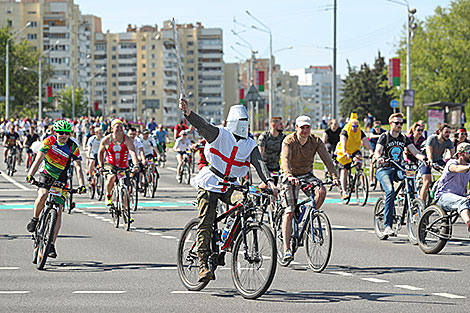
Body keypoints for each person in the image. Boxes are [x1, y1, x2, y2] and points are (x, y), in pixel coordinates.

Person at [179, 99, 277, 282]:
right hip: (210, 181)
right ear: (232, 122)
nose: (244, 126)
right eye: (241, 122)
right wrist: (188, 113)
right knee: (206, 221)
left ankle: (227, 240)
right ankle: (202, 264)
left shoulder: (249, 144)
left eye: (246, 123)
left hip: (230, 185)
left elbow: (259, 164)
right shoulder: (219, 134)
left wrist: (269, 182)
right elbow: (203, 125)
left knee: (246, 203)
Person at [280, 115, 339, 263]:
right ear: (296, 128)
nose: (305, 130)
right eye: (302, 127)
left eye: (307, 127)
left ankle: (309, 217)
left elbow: (327, 159)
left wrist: (334, 176)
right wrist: (289, 175)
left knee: (321, 190)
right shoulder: (289, 141)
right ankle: (287, 249)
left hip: (307, 175)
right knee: (289, 211)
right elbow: (285, 160)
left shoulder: (315, 141)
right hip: (290, 176)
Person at [25, 120, 86, 258]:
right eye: (61, 133)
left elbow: (77, 167)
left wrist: (82, 184)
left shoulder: (73, 146)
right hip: (46, 174)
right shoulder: (49, 141)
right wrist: (30, 175)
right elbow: (39, 158)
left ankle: (51, 244)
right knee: (43, 195)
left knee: (58, 211)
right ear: (55, 133)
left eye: (66, 133)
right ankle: (35, 219)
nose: (64, 135)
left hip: (61, 178)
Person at [374, 113, 428, 236]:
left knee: (410, 178)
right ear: (390, 124)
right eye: (396, 123)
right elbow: (377, 151)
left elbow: (415, 151)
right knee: (390, 191)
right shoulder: (384, 136)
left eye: (401, 123)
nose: (399, 125)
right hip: (384, 169)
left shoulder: (403, 138)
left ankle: (413, 206)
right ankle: (387, 226)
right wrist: (379, 158)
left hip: (398, 168)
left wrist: (423, 158)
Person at [98, 119, 140, 206]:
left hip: (123, 166)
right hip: (110, 165)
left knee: (127, 188)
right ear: (112, 129)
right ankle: (108, 195)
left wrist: (136, 164)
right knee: (112, 177)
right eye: (117, 127)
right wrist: (101, 165)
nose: (120, 129)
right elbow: (100, 152)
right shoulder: (106, 140)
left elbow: (132, 152)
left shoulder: (127, 139)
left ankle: (125, 212)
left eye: (121, 127)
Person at [335, 113, 374, 200]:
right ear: (350, 125)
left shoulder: (360, 131)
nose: (355, 128)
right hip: (345, 151)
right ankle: (344, 191)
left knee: (359, 158)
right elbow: (343, 142)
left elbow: (365, 142)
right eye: (353, 126)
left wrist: (371, 152)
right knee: (344, 170)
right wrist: (345, 152)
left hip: (355, 150)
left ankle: (359, 175)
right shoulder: (345, 131)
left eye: (357, 126)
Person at [434, 142, 470, 234]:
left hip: (459, 197)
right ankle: (469, 223)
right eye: (469, 152)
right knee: (463, 201)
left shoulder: (468, 168)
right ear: (460, 154)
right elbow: (456, 169)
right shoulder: (452, 163)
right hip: (443, 196)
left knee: (464, 199)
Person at [419, 123, 455, 203]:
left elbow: (454, 156)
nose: (448, 134)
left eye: (449, 132)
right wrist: (430, 162)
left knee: (448, 175)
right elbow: (429, 152)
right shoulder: (432, 138)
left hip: (438, 160)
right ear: (440, 131)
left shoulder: (448, 142)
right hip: (426, 160)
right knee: (427, 182)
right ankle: (421, 205)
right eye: (446, 132)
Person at [258, 116, 286, 184]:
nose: (283, 126)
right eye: (280, 124)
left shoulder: (283, 137)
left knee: (274, 188)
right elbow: (260, 154)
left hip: (276, 167)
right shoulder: (265, 136)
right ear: (273, 125)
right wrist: (261, 169)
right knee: (267, 185)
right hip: (265, 167)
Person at [369, 121, 387, 187]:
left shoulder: (383, 131)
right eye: (376, 127)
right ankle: (371, 180)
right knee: (372, 163)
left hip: (381, 150)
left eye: (378, 126)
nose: (377, 128)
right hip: (373, 149)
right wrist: (380, 136)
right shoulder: (372, 131)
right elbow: (371, 136)